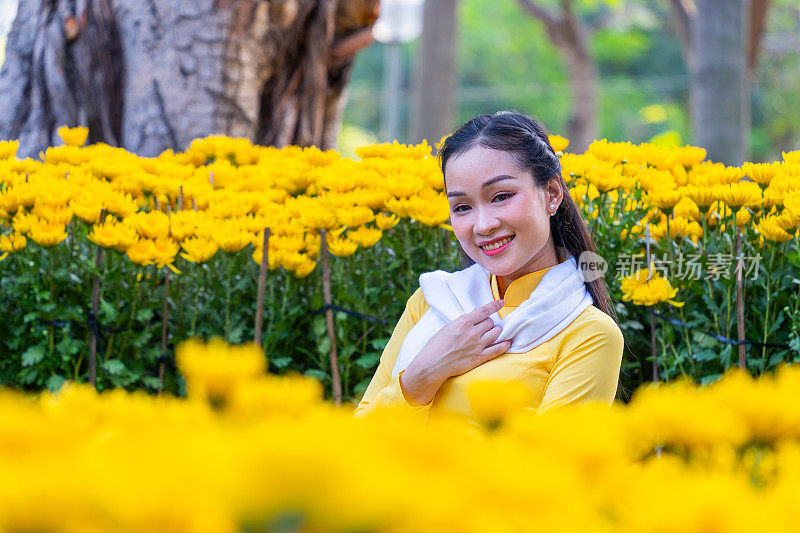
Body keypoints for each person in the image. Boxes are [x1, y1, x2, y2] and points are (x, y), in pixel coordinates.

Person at [354, 111, 623, 424]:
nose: (482, 225)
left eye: (501, 196)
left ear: (551, 194)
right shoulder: (432, 302)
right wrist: (419, 378)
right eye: (463, 207)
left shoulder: (588, 334)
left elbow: (549, 468)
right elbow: (358, 441)